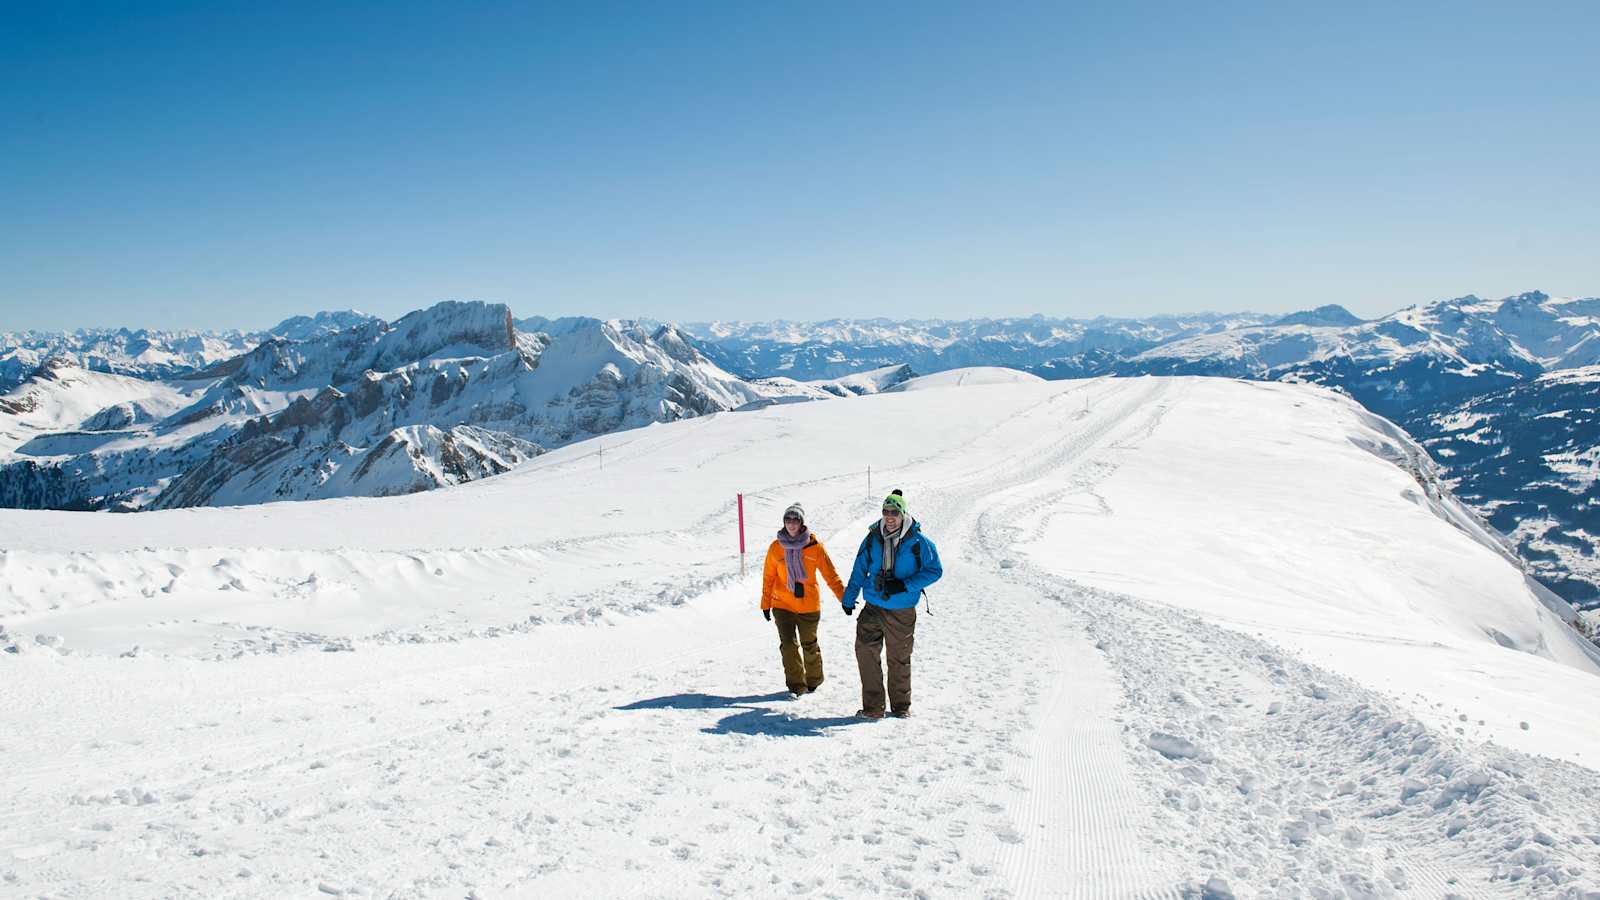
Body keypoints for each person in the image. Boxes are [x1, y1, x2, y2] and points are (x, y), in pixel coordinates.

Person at [841, 489, 942, 719]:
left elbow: (935, 570)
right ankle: (873, 708)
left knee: (898, 658)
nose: (889, 516)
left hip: (902, 610)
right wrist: (849, 598)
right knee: (865, 652)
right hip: (874, 606)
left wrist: (906, 585)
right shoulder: (872, 538)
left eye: (894, 512)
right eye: (886, 511)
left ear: (903, 514)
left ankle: (900, 707)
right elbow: (859, 569)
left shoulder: (918, 542)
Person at [761, 502, 846, 697]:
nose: (791, 524)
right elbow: (768, 578)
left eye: (795, 520)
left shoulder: (815, 547)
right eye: (787, 520)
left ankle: (814, 680)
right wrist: (765, 604)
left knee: (809, 644)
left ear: (801, 522)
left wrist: (844, 597)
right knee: (789, 645)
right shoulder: (775, 548)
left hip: (808, 605)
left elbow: (830, 575)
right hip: (782, 604)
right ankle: (796, 685)